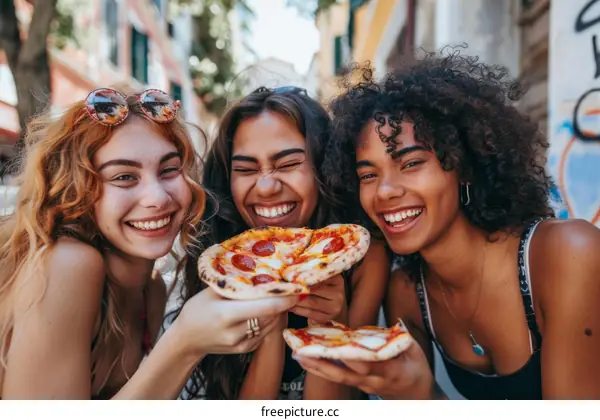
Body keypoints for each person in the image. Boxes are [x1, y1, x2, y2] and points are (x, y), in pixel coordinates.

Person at [294, 50, 600, 399]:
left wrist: (422, 395)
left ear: (464, 165)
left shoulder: (569, 255)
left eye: (410, 163)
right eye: (368, 174)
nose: (385, 191)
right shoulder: (408, 291)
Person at [0, 87, 298, 399]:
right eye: (124, 177)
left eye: (169, 170)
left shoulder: (152, 288)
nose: (157, 197)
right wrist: (184, 343)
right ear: (79, 189)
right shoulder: (67, 264)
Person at [173, 86, 391, 400]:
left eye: (288, 164)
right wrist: (272, 323)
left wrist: (328, 324)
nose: (266, 187)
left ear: (323, 169)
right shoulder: (224, 262)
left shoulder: (362, 256)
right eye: (246, 169)